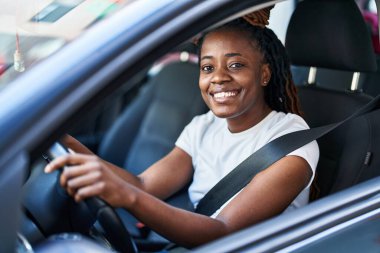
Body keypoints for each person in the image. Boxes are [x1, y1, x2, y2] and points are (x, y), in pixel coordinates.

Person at [44, 8, 319, 249]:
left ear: (264, 74)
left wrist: (128, 197)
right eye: (208, 67)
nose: (219, 78)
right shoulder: (205, 126)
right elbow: (145, 185)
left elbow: (223, 231)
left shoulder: (290, 141)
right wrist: (62, 141)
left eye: (236, 65)